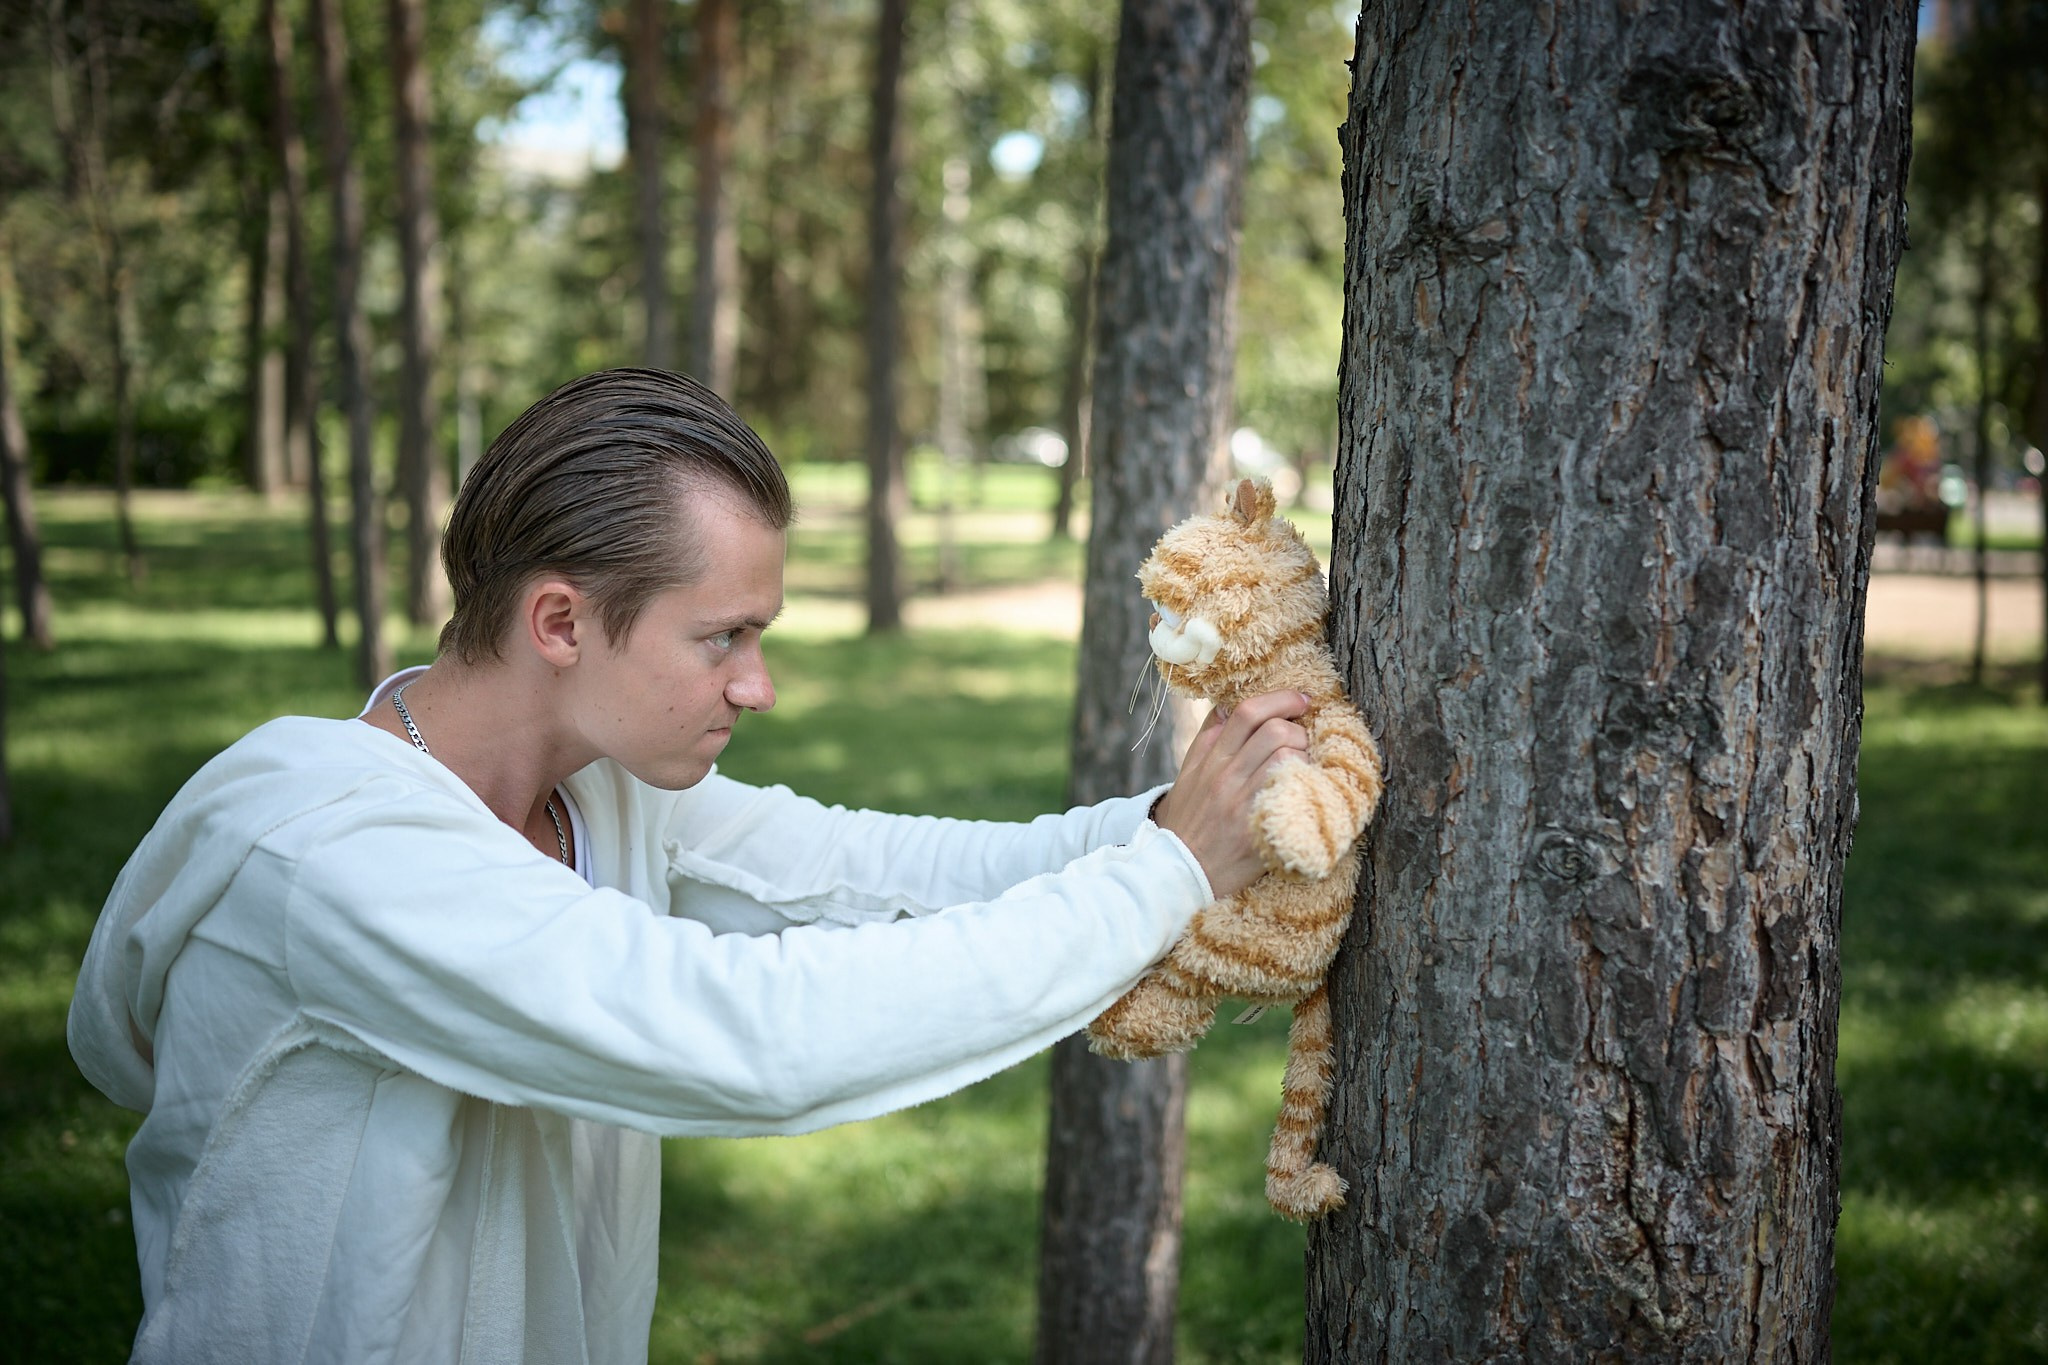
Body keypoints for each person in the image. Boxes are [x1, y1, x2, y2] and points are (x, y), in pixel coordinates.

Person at [68, 368, 1311, 1364]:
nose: (756, 687)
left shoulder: (597, 786)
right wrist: (1164, 873)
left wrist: (1185, 813)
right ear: (558, 622)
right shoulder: (333, 857)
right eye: (721, 638)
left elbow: (882, 870)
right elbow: (748, 1040)